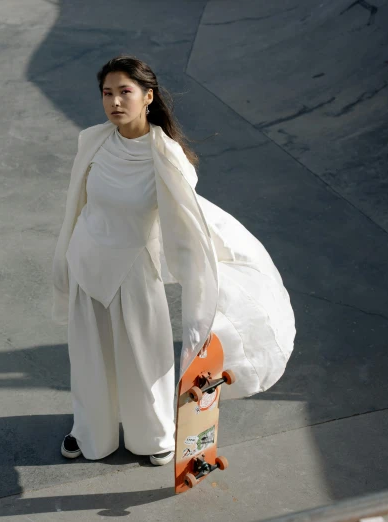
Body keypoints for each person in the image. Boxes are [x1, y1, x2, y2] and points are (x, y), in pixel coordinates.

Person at [50, 55, 295, 466]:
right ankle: (91, 431)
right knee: (89, 355)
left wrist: (202, 274)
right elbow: (81, 203)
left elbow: (186, 218)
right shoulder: (91, 141)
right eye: (107, 93)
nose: (114, 102)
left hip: (133, 268)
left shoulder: (166, 155)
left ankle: (153, 434)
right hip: (87, 261)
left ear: (148, 96)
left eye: (125, 92)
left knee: (145, 356)